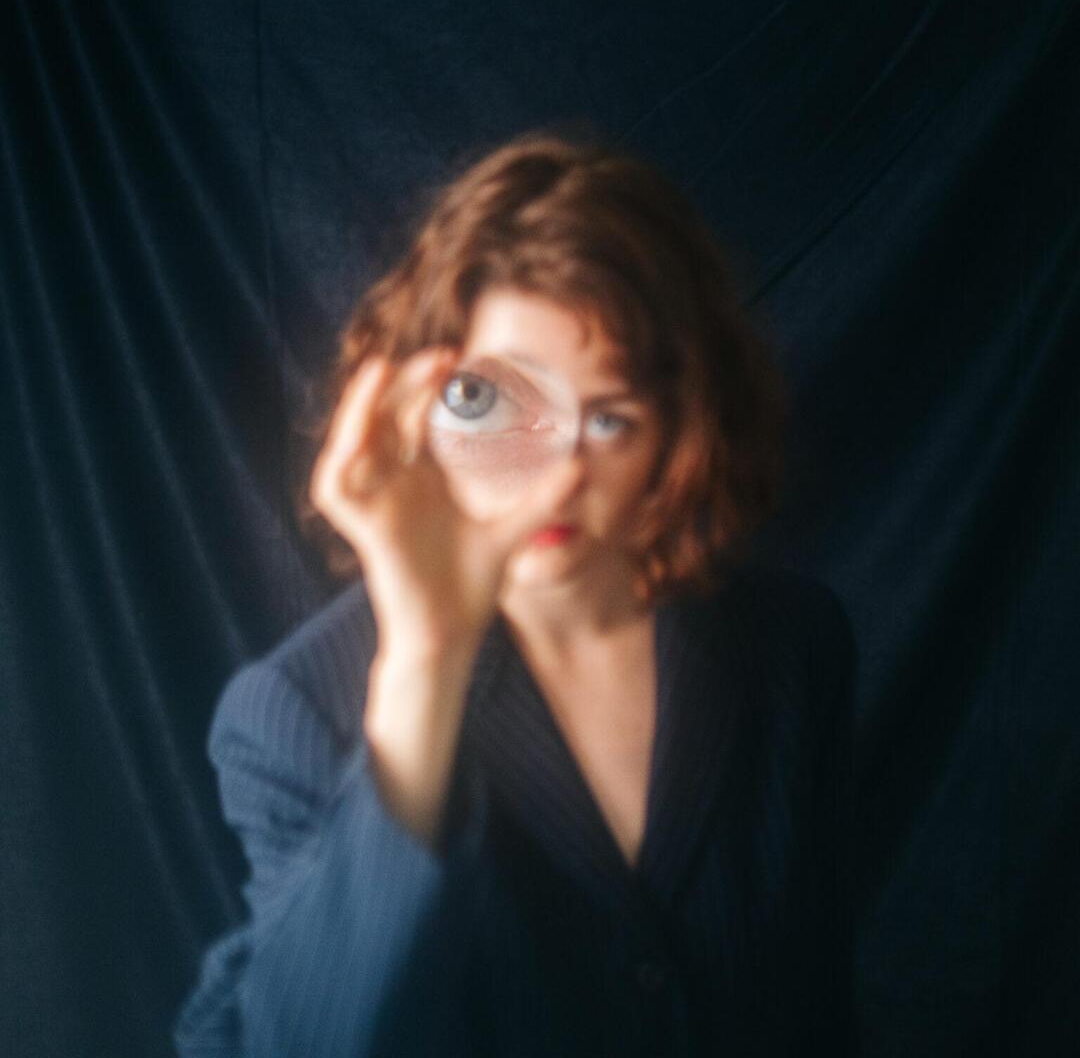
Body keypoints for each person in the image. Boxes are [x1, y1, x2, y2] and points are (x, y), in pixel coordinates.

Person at [175, 128, 855, 1057]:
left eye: (607, 418)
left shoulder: (793, 644)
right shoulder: (293, 712)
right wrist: (427, 660)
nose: (555, 477)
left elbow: (813, 1007)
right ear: (416, 409)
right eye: (494, 404)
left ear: (680, 423)